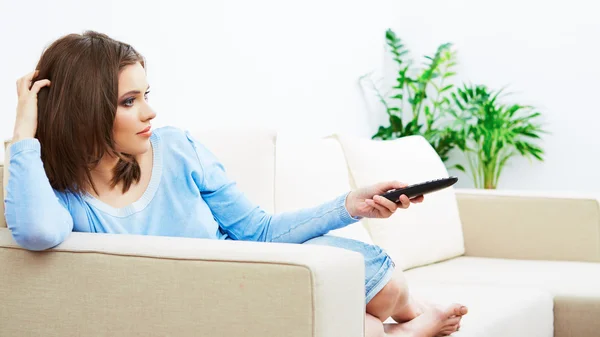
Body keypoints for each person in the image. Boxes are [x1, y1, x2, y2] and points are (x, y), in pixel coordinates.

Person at [4, 31, 467, 337]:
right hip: (213, 308)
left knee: (373, 278)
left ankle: (410, 315)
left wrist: (350, 205)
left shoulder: (177, 148)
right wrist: (24, 132)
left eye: (147, 95)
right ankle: (409, 327)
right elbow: (37, 233)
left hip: (253, 270)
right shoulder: (62, 197)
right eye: (130, 101)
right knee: (344, 317)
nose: (150, 112)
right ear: (85, 110)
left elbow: (258, 232)